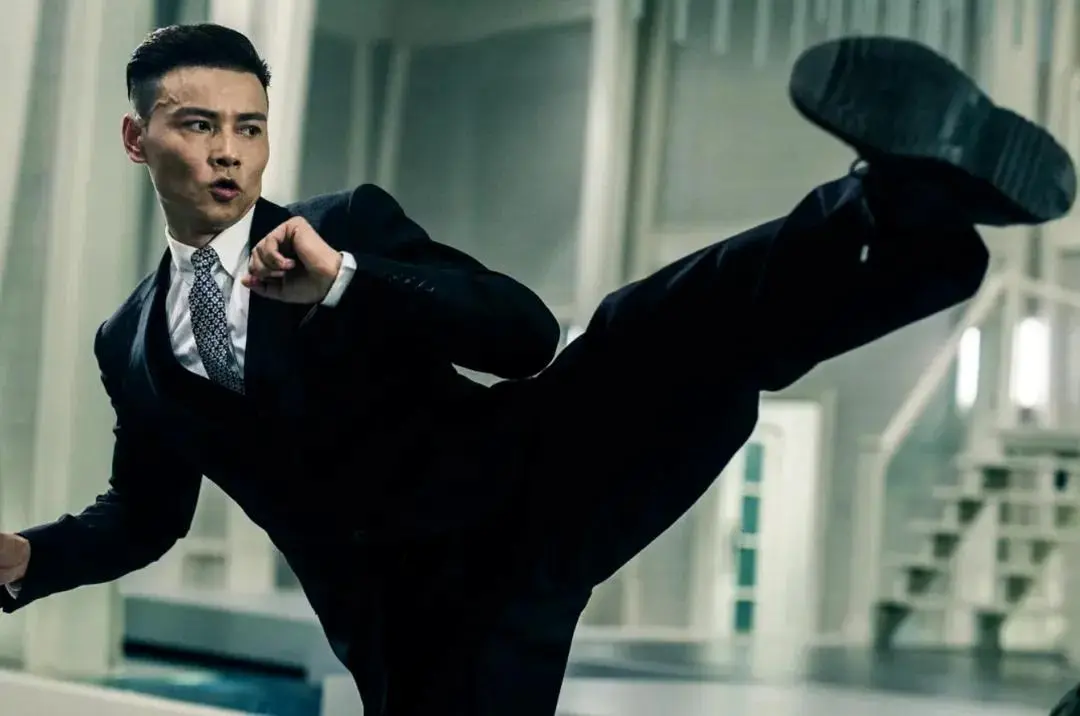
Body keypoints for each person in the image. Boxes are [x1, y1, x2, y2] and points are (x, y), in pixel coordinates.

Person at [0, 23, 1073, 716]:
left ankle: (896, 207)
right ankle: (902, 216)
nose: (229, 151)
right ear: (138, 141)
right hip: (403, 617)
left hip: (519, 484)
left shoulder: (344, 226)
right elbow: (144, 518)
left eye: (249, 126)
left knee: (657, 330)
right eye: (198, 126)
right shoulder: (127, 343)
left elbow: (521, 336)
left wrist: (348, 283)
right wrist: (26, 557)